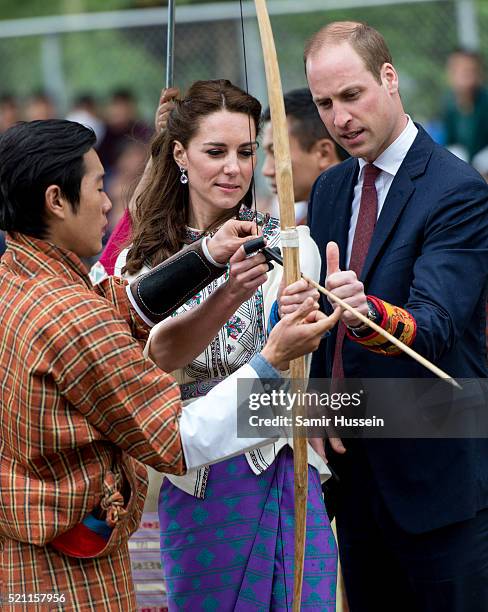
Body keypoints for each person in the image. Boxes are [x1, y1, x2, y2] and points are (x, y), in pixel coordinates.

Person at [0, 119, 340, 611]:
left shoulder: (20, 278)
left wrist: (206, 259)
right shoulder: (72, 314)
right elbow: (176, 438)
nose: (108, 202)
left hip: (29, 556)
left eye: (246, 151)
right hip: (79, 560)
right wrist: (272, 360)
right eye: (97, 186)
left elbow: (118, 306)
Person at [110, 79, 339, 611]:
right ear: (179, 154)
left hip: (287, 464)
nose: (233, 168)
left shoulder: (289, 241)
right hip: (199, 477)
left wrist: (315, 312)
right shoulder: (142, 262)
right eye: (215, 152)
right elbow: (150, 362)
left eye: (245, 151)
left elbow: (306, 362)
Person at [305, 21, 488, 612]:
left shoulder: (457, 190)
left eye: (352, 95)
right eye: (325, 103)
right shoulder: (332, 188)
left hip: (440, 479)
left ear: (390, 78)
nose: (339, 118)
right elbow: (320, 331)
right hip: (355, 479)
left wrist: (367, 313)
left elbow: (433, 327)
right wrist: (317, 404)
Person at [261, 87, 348, 223]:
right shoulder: (309, 222)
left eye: (276, 153)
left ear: (323, 154)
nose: (266, 171)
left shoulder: (356, 218)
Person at [441, 48, 488, 162]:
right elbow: (450, 142)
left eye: (471, 71)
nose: (466, 77)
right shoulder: (449, 103)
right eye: (461, 71)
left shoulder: (484, 101)